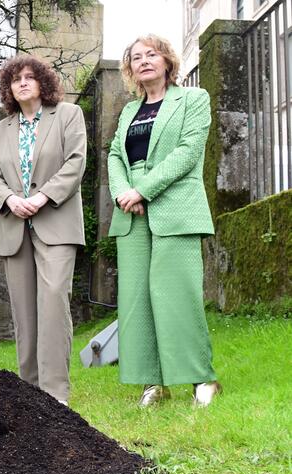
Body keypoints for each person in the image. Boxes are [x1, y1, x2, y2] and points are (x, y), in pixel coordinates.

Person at [107, 34, 220, 407]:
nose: (144, 61)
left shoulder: (193, 99)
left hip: (175, 205)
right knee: (137, 297)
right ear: (131, 69)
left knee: (176, 295)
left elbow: (188, 152)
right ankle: (152, 382)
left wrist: (143, 190)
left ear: (167, 60)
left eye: (151, 54)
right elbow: (114, 156)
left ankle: (201, 378)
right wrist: (125, 191)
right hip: (132, 211)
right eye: (136, 57)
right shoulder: (128, 111)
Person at [0, 55, 86, 405]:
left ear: (43, 82)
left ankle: (55, 396)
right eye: (16, 79)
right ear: (9, 89)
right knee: (24, 313)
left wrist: (42, 196)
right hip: (14, 225)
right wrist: (11, 200)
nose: (23, 83)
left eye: (30, 77)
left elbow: (76, 163)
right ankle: (30, 396)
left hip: (55, 223)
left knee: (54, 301)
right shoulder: (1, 130)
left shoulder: (69, 115)